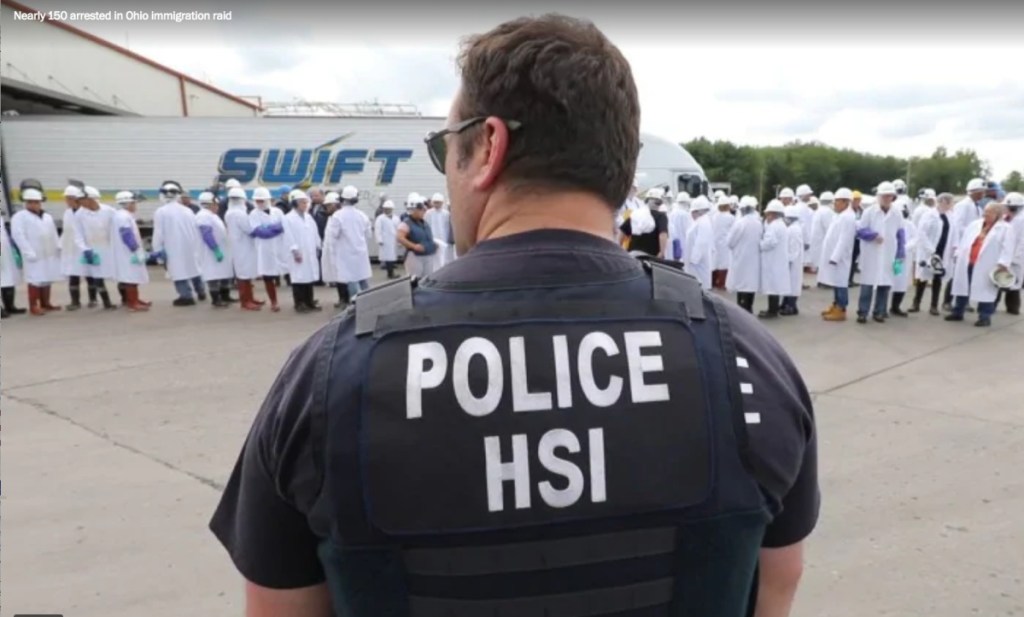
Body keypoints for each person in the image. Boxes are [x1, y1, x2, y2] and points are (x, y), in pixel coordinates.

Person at [209, 15, 818, 617]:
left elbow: (278, 607)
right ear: (622, 166)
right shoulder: (745, 356)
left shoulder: (330, 371)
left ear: (488, 148)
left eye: (444, 148)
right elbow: (778, 583)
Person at [946, 201, 1015, 327]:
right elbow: (965, 240)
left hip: (988, 264)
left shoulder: (1005, 229)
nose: (985, 214)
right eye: (985, 211)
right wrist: (958, 253)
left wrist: (1004, 263)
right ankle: (958, 312)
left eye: (989, 212)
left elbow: (1008, 247)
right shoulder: (975, 224)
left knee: (986, 291)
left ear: (997, 214)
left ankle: (984, 316)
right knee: (962, 287)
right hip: (968, 261)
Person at [854, 182, 904, 324]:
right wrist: (873, 235)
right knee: (867, 285)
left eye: (889, 196)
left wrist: (900, 253)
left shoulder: (897, 213)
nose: (887, 198)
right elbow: (860, 231)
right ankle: (863, 312)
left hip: (889, 253)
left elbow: (901, 234)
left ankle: (879, 312)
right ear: (879, 196)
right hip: (871, 253)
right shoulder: (870, 212)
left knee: (885, 284)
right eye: (884, 196)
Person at [152, 181, 207, 306]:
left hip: (173, 248)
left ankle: (186, 296)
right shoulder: (187, 211)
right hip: (190, 247)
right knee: (194, 269)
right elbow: (196, 230)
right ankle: (201, 291)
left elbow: (158, 233)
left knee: (178, 271)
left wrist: (157, 250)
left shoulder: (161, 212)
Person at [10, 188, 62, 316]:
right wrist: (28, 251)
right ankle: (34, 306)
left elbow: (53, 233)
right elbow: (18, 235)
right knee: (35, 279)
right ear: (25, 203)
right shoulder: (20, 217)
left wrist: (58, 247)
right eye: (30, 202)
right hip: (33, 254)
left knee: (47, 278)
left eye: (36, 202)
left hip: (48, 252)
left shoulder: (47, 217)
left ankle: (46, 303)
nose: (33, 204)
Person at [73, 186, 119, 310]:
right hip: (93, 249)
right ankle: (107, 302)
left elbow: (118, 227)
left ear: (92, 199)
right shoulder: (79, 215)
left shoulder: (109, 211)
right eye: (79, 200)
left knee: (119, 273)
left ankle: (126, 299)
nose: (81, 202)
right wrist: (84, 249)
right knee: (98, 276)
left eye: (83, 199)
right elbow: (78, 234)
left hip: (110, 248)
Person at [909, 190, 953, 316]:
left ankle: (934, 306)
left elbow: (952, 233)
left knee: (938, 278)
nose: (951, 206)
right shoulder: (929, 214)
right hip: (929, 251)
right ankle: (916, 303)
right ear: (943, 202)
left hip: (942, 250)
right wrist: (930, 250)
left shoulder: (949, 216)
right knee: (922, 277)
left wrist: (953, 247)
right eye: (950, 203)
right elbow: (921, 233)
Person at [817, 188, 858, 321]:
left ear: (846, 202)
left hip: (840, 258)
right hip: (834, 255)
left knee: (841, 283)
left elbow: (844, 239)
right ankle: (836, 305)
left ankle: (841, 309)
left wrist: (835, 257)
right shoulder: (840, 215)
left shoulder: (848, 217)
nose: (835, 204)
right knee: (835, 282)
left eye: (838, 201)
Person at [282, 189, 323, 313]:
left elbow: (315, 233)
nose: (305, 205)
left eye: (306, 202)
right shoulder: (288, 218)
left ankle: (310, 302)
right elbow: (288, 236)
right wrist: (295, 251)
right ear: (294, 203)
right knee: (298, 278)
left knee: (309, 278)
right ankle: (299, 303)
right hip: (298, 253)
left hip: (309, 251)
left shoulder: (308, 217)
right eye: (302, 202)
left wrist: (318, 245)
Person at [330, 184, 373, 299]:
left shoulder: (337, 216)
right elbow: (368, 235)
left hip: (345, 254)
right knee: (362, 278)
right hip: (361, 253)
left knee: (351, 280)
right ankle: (370, 301)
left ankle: (357, 305)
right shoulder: (362, 215)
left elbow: (333, 235)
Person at [111, 191, 151, 312]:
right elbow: (126, 235)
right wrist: (136, 249)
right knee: (131, 278)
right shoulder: (123, 216)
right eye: (134, 203)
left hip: (128, 252)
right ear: (127, 203)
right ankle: (133, 303)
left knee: (134, 277)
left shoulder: (124, 215)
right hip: (128, 252)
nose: (135, 205)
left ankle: (135, 300)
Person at [249, 186, 288, 312]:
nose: (259, 203)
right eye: (257, 200)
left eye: (262, 200)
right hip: (263, 249)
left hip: (279, 246)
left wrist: (269, 228)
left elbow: (284, 226)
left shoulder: (278, 211)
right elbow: (260, 232)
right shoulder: (253, 214)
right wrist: (275, 228)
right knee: (268, 276)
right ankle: (274, 301)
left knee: (285, 271)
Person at [194, 192, 234, 309]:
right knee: (213, 276)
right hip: (211, 252)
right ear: (209, 204)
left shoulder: (212, 215)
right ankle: (216, 299)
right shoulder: (203, 216)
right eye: (216, 204)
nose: (218, 206)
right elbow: (207, 234)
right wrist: (215, 249)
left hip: (221, 250)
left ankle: (225, 296)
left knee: (223, 273)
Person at [59, 184, 95, 310]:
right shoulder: (67, 213)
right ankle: (75, 301)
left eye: (68, 198)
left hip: (85, 248)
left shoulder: (85, 212)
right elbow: (66, 231)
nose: (66, 201)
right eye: (66, 199)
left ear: (75, 198)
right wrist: (60, 245)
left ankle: (93, 299)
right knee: (73, 275)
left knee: (90, 274)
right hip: (71, 249)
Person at [725, 195, 762, 313]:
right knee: (750, 284)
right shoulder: (758, 223)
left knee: (741, 284)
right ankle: (749, 307)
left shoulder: (740, 223)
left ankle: (742, 309)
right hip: (754, 259)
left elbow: (730, 242)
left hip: (741, 259)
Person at [759, 199, 790, 318]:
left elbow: (769, 243)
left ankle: (772, 311)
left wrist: (759, 244)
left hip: (773, 261)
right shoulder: (781, 225)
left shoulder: (774, 226)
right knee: (775, 287)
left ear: (772, 213)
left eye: (768, 213)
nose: (766, 216)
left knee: (772, 287)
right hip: (777, 260)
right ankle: (773, 309)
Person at [888, 197, 917, 317]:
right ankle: (882, 308)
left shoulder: (909, 224)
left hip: (903, 259)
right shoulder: (890, 223)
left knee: (901, 282)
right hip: (893, 258)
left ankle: (896, 306)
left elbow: (915, 238)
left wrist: (904, 248)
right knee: (890, 282)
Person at [620, 187, 669, 258]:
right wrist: (662, 252)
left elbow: (622, 231)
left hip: (632, 255)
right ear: (660, 202)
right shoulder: (661, 216)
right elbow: (663, 234)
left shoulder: (636, 214)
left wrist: (619, 248)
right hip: (650, 257)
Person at [396, 194, 437, 278]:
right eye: (421, 210)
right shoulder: (406, 223)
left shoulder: (424, 222)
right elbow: (399, 237)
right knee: (415, 280)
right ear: (413, 210)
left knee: (427, 280)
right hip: (415, 257)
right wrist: (414, 246)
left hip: (428, 255)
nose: (423, 211)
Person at [683, 194, 714, 288]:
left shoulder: (703, 222)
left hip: (698, 264)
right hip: (695, 264)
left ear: (698, 211)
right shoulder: (700, 221)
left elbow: (702, 242)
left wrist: (694, 259)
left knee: (700, 287)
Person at [1001, 192, 1024, 315]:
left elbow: (1022, 242)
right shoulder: (1008, 218)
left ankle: (1013, 307)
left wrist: (1015, 257)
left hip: (1017, 256)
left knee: (1015, 282)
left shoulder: (1021, 220)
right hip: (1006, 253)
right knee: (1000, 279)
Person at [781, 205, 804, 316]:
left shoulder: (793, 230)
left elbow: (794, 248)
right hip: (794, 261)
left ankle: (790, 306)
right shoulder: (794, 228)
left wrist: (789, 260)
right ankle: (789, 305)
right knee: (792, 285)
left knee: (792, 285)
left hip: (793, 261)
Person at [808, 191, 835, 281]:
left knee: (821, 262)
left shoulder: (819, 211)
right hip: (823, 241)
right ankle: (824, 282)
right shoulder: (827, 212)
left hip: (818, 241)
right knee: (824, 263)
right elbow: (830, 228)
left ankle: (822, 281)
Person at [711, 194, 735, 289]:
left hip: (715, 241)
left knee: (715, 262)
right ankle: (722, 283)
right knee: (725, 263)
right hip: (726, 243)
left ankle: (713, 282)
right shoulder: (731, 217)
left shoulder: (715, 216)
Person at [425, 192, 455, 269]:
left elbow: (449, 227)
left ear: (442, 203)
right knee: (434, 257)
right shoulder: (428, 213)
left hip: (444, 238)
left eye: (438, 202)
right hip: (433, 238)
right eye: (435, 202)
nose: (437, 204)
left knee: (445, 256)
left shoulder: (446, 213)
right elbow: (427, 225)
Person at [374, 200, 401, 279]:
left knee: (392, 257)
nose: (387, 210)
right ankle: (390, 273)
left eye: (389, 209)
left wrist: (399, 241)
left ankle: (391, 272)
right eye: (386, 209)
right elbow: (377, 229)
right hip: (385, 241)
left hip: (393, 240)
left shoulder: (396, 218)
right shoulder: (380, 218)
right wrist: (379, 239)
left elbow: (399, 229)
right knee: (388, 257)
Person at [666, 191, 692, 263]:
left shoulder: (672, 212)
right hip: (684, 244)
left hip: (674, 243)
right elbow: (689, 231)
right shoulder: (686, 215)